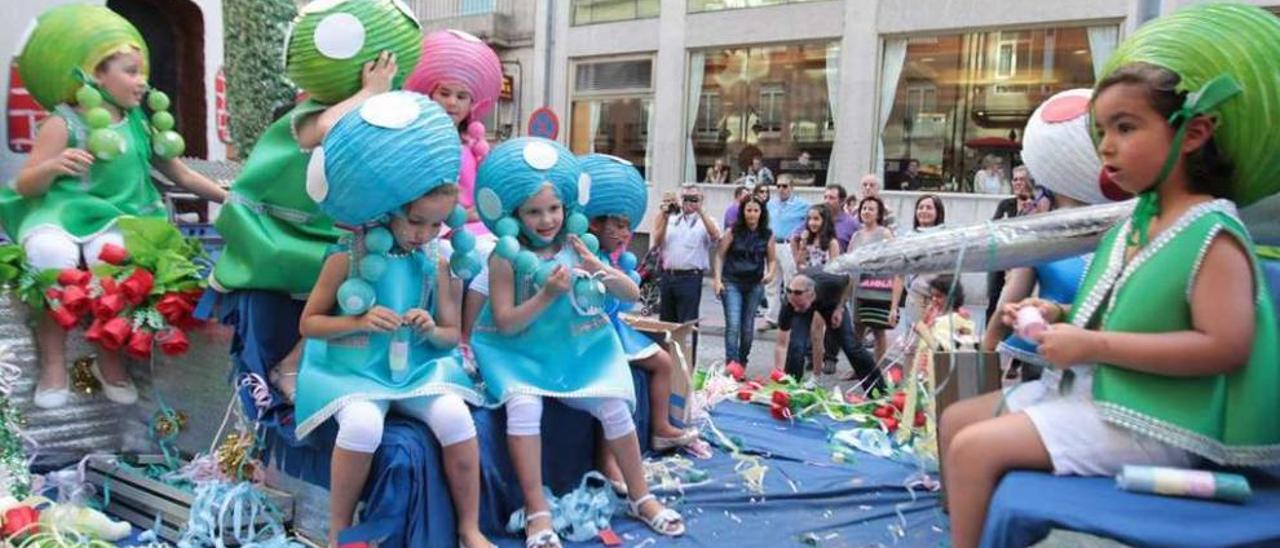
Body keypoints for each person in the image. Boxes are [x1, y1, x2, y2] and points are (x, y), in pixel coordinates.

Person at [942, 6, 1280, 544]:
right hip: (1098, 394)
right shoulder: (1137, 222)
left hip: (1156, 422)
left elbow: (1224, 347)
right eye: (1101, 131)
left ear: (1194, 133)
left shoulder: (1212, 233)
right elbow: (1132, 314)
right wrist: (1058, 314)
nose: (1105, 146)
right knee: (957, 420)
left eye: (1125, 127)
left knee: (972, 447)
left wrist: (1089, 344)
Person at [0, 5, 227, 409]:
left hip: (120, 214)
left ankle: (109, 357)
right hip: (60, 213)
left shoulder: (140, 123)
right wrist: (54, 166)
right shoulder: (64, 122)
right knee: (51, 254)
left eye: (141, 71)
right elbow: (25, 182)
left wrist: (231, 198)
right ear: (94, 74)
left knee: (115, 259)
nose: (141, 82)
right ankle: (53, 361)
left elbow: (181, 175)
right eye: (129, 71)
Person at [290, 93, 489, 548]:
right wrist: (356, 322)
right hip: (351, 370)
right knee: (363, 425)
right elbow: (309, 324)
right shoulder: (347, 257)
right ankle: (340, 529)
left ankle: (469, 527)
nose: (424, 235)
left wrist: (429, 327)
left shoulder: (436, 261)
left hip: (417, 369)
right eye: (417, 222)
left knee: (456, 418)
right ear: (390, 210)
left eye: (435, 227)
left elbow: (447, 336)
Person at [469, 139, 685, 547]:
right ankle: (537, 510)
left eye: (553, 208)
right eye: (534, 211)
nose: (546, 219)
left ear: (567, 207)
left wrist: (596, 266)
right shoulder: (504, 257)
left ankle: (641, 496)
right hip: (518, 356)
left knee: (614, 404)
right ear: (515, 214)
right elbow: (506, 324)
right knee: (524, 405)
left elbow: (628, 295)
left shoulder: (575, 244)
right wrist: (545, 295)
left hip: (576, 352)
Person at [212, 46, 403, 404]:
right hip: (274, 236)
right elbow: (326, 127)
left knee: (360, 269)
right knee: (343, 271)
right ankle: (290, 364)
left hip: (321, 234)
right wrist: (372, 91)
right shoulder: (307, 115)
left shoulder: (359, 126)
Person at [578, 154, 698, 494]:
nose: (625, 234)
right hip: (595, 336)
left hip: (616, 330)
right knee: (616, 385)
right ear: (595, 225)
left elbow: (626, 299)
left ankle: (661, 428)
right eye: (618, 225)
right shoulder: (586, 256)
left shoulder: (609, 257)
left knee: (662, 360)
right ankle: (607, 461)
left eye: (628, 226)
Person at [405, 29, 504, 251]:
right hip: (434, 231)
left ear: (471, 104)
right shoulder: (414, 143)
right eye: (445, 93)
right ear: (430, 96)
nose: (452, 102)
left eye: (461, 97)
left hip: (478, 229)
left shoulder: (473, 146)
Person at [774, 271, 880, 388]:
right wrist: (779, 374)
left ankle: (877, 388)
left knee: (851, 345)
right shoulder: (789, 304)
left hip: (830, 303)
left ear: (812, 294)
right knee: (796, 345)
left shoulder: (832, 282)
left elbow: (849, 280)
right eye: (794, 306)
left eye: (800, 306)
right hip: (809, 304)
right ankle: (791, 387)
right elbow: (781, 344)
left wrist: (840, 308)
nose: (796, 309)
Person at [652, 183, 721, 354]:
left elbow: (715, 236)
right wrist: (665, 215)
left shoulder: (706, 221)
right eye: (685, 198)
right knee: (666, 325)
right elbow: (658, 241)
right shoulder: (672, 219)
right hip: (669, 276)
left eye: (693, 198)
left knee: (688, 325)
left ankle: (687, 367)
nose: (689, 202)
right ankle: (667, 366)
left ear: (701, 200)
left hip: (690, 278)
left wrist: (700, 211)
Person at [711, 196, 777, 369]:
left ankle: (742, 361)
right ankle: (731, 365)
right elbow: (719, 255)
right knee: (733, 325)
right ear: (743, 212)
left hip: (754, 284)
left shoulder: (767, 234)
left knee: (747, 329)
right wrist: (717, 280)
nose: (752, 214)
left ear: (761, 213)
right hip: (732, 282)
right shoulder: (733, 231)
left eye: (756, 210)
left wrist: (770, 273)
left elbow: (771, 260)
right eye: (749, 210)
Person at [847, 196, 902, 363]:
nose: (866, 212)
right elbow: (849, 261)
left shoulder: (884, 233)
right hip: (858, 288)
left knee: (878, 330)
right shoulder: (856, 235)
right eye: (864, 208)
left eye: (871, 209)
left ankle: (877, 370)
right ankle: (858, 368)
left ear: (878, 214)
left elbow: (894, 261)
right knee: (857, 330)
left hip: (878, 288)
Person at [985, 165, 1040, 330]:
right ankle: (989, 337)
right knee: (994, 299)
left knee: (1017, 302)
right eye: (1015, 179)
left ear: (1030, 182)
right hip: (1001, 259)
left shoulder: (1038, 206)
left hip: (1023, 262)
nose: (1017, 183)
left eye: (1021, 179)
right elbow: (993, 227)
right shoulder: (1006, 204)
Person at [762, 174, 810, 331]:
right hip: (772, 244)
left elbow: (809, 223)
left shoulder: (802, 205)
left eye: (784, 186)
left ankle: (793, 316)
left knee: (791, 282)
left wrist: (802, 239)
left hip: (789, 245)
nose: (781, 189)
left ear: (792, 187)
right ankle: (772, 317)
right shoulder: (770, 204)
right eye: (778, 186)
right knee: (771, 283)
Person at [899, 194, 947, 332]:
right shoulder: (908, 237)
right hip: (916, 295)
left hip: (939, 296)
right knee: (914, 339)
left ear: (938, 212)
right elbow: (900, 272)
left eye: (929, 208)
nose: (924, 211)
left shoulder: (947, 236)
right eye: (920, 207)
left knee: (936, 339)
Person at [792, 205, 840, 270]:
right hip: (808, 276)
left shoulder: (832, 242)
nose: (811, 223)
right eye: (809, 219)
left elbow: (834, 268)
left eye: (816, 219)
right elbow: (799, 265)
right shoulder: (808, 240)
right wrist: (803, 244)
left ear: (825, 221)